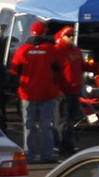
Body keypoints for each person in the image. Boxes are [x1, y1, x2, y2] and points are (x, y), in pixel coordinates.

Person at [11, 21, 61, 163]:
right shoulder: (51, 50)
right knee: (46, 126)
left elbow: (15, 69)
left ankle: (29, 155)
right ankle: (47, 155)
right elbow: (58, 68)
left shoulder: (23, 50)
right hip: (47, 92)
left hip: (28, 93)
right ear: (44, 33)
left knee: (29, 126)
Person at [52, 25, 84, 155]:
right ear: (62, 37)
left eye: (73, 35)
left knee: (71, 119)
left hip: (74, 90)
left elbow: (83, 66)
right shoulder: (57, 51)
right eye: (69, 35)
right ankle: (62, 146)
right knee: (62, 120)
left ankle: (66, 144)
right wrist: (56, 89)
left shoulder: (76, 50)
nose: (72, 37)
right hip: (63, 91)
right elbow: (52, 73)